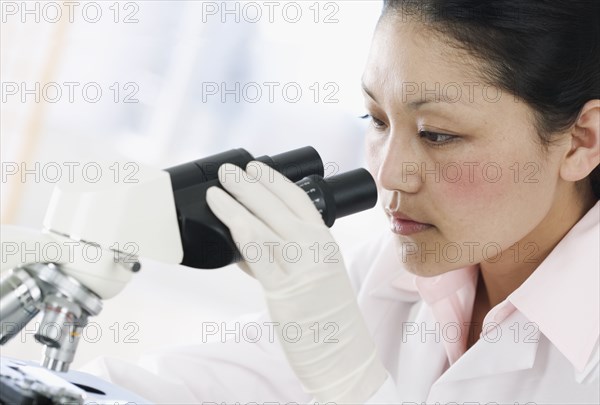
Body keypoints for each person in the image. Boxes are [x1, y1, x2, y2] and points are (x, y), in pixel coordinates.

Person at [84, 1, 600, 403]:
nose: (388, 173)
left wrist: (348, 381)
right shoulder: (388, 277)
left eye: (437, 134)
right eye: (376, 121)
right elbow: (179, 389)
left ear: (581, 142)